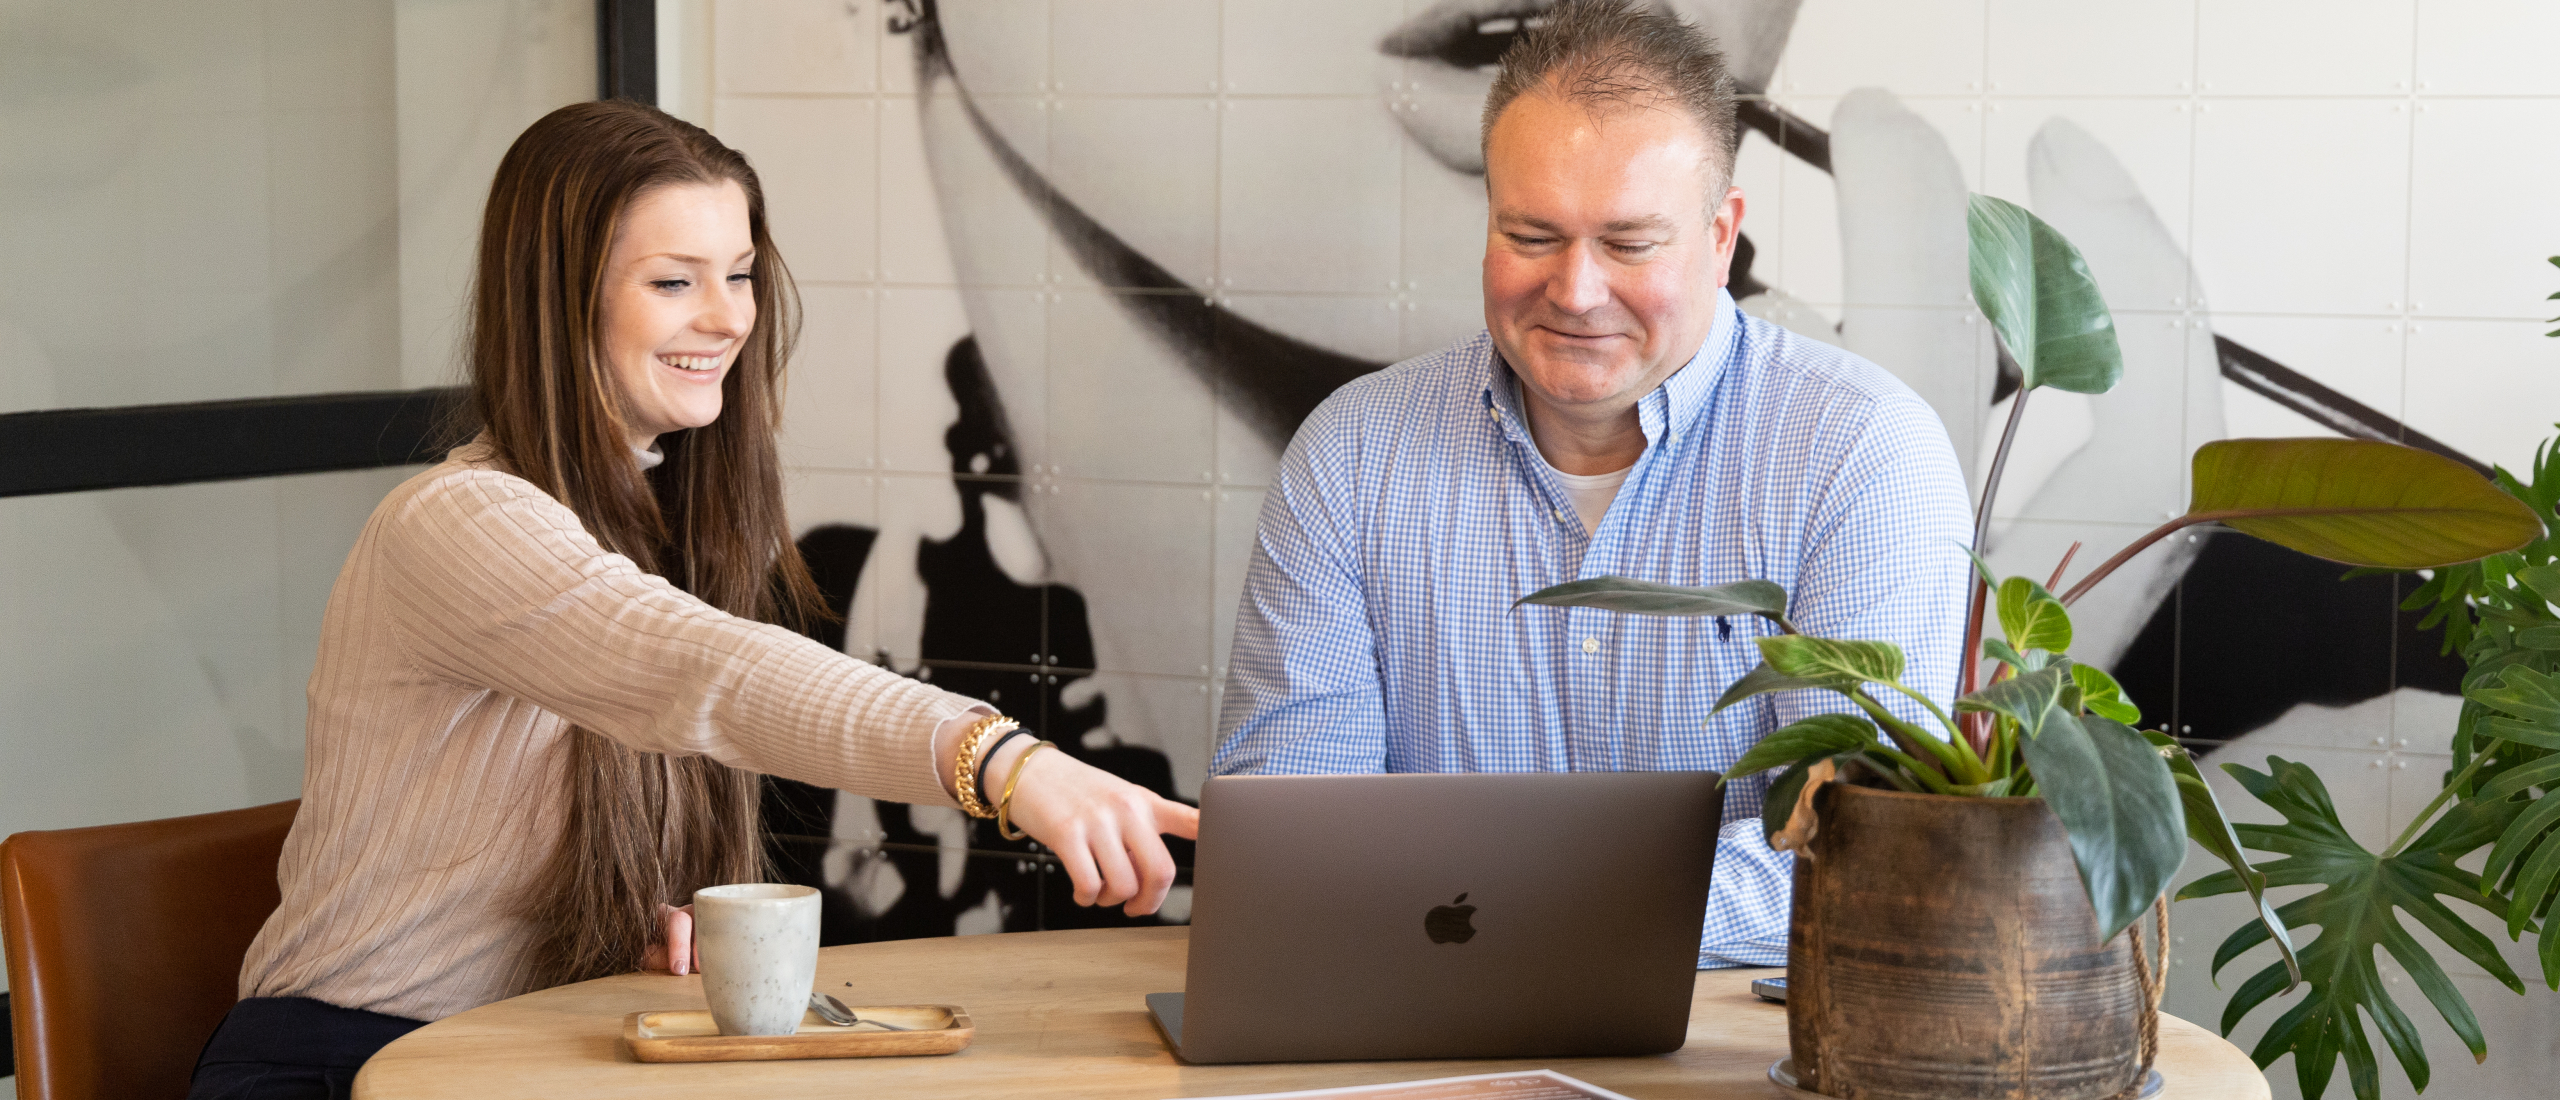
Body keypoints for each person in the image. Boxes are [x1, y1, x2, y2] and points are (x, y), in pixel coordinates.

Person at [186, 100, 1195, 1100]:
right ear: (558, 298)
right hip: (337, 1065)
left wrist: (609, 924)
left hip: (514, 1056)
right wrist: (1004, 761)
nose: (726, 317)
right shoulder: (455, 521)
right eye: (673, 281)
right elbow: (699, 667)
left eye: (740, 273)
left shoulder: (667, 522)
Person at [1209, 0, 1970, 968]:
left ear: (1720, 234)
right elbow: (1294, 842)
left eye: (1628, 244)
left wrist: (1494, 909)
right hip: (1419, 1040)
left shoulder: (1863, 455)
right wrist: (1573, 907)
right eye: (1531, 235)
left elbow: (1862, 851)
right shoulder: (1352, 456)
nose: (1573, 292)